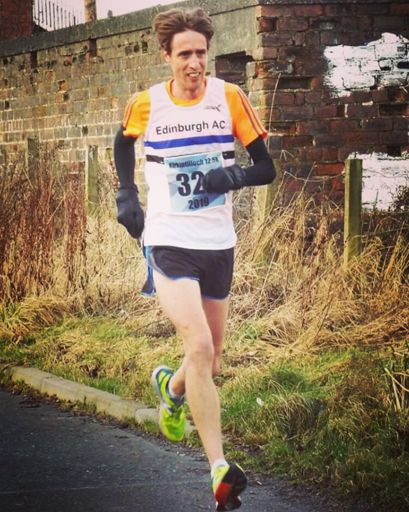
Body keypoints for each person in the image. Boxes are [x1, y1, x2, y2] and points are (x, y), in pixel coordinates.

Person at [114, 8, 275, 511]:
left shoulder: (230, 97)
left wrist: (233, 176)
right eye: (184, 54)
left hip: (217, 242)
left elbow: (266, 167)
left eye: (201, 53)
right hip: (167, 239)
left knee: (211, 357)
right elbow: (122, 143)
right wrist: (126, 193)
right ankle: (219, 470)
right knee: (199, 344)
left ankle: (172, 386)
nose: (194, 63)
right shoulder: (148, 103)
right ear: (167, 56)